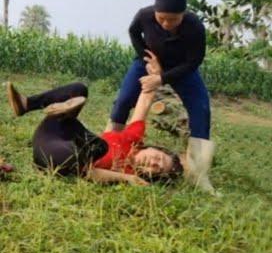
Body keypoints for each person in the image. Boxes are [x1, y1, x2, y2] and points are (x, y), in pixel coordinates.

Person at [108, 0, 215, 192]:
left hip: (182, 69)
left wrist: (161, 77)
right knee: (123, 100)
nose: (166, 24)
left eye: (172, 19)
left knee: (201, 110)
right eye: (162, 18)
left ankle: (198, 174)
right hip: (147, 64)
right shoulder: (145, 15)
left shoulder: (194, 26)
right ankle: (110, 148)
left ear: (182, 15)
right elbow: (133, 32)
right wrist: (147, 59)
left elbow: (194, 62)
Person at [6, 72, 182, 186]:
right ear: (153, 148)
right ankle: (27, 104)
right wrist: (156, 74)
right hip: (52, 134)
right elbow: (144, 102)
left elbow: (89, 173)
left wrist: (128, 178)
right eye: (158, 158)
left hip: (57, 156)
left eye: (157, 169)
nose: (153, 162)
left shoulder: (127, 173)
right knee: (78, 89)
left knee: (97, 148)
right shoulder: (133, 137)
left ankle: (69, 111)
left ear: (150, 176)